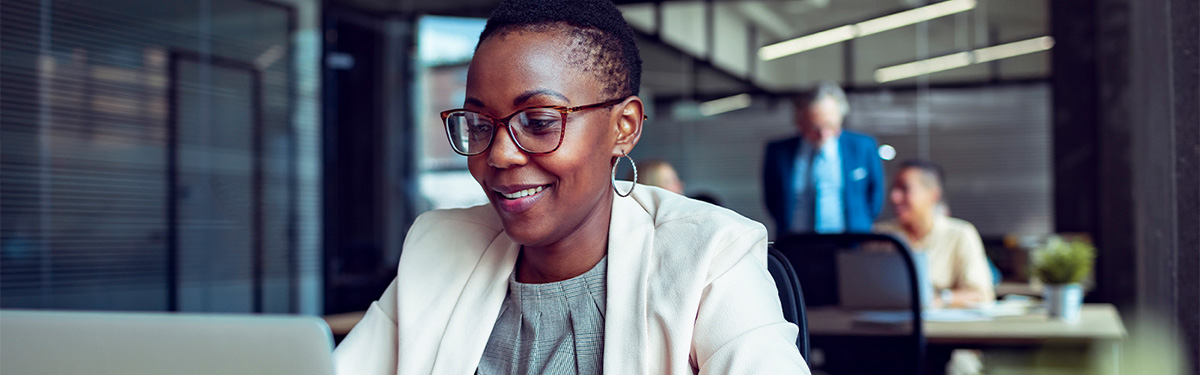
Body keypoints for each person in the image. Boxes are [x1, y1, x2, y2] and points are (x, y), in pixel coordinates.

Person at [331, 0, 809, 373]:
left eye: (538, 121)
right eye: (479, 123)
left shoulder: (709, 255)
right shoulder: (438, 246)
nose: (498, 154)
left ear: (624, 127)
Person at [762, 81, 884, 235]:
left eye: (830, 125)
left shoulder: (863, 147)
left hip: (850, 244)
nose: (823, 134)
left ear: (840, 119)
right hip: (796, 243)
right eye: (815, 127)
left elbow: (874, 198)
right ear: (799, 122)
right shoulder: (778, 152)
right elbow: (772, 200)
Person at [874, 159, 996, 308]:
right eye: (894, 189)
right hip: (887, 326)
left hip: (942, 328)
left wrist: (939, 299)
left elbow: (981, 294)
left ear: (933, 195)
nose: (894, 197)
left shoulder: (960, 234)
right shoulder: (881, 235)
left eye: (905, 189)